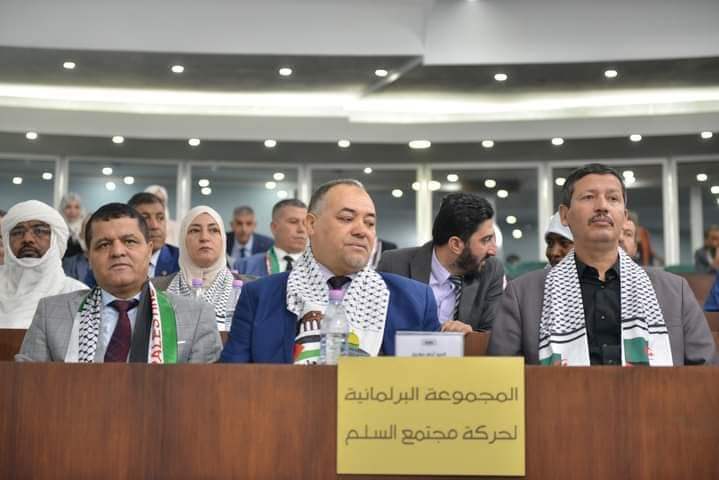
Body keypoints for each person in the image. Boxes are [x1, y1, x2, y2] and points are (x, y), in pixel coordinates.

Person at [489, 163, 715, 366]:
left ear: (624, 217)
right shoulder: (523, 295)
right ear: (565, 215)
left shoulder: (675, 292)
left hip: (656, 401)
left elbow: (707, 377)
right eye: (589, 197)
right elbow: (503, 381)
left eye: (613, 198)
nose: (602, 206)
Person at [220, 179, 440, 363]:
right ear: (311, 225)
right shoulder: (259, 296)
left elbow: (430, 385)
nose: (361, 231)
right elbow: (233, 382)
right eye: (347, 219)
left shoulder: (415, 300)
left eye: (370, 223)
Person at [16, 202, 222, 363]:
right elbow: (27, 386)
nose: (117, 252)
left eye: (129, 241)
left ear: (149, 250)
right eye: (104, 244)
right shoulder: (51, 313)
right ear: (89, 257)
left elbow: (203, 392)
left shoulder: (196, 316)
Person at [377, 193, 504, 332]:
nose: (493, 250)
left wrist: (470, 335)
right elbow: (376, 329)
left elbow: (493, 333)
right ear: (456, 244)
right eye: (486, 240)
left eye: (493, 238)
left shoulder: (491, 270)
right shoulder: (394, 265)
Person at [152, 206, 244, 331]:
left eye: (213, 230)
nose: (204, 238)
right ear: (183, 240)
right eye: (195, 230)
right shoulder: (157, 289)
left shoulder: (246, 289)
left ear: (223, 239)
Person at [0, 200, 88, 329]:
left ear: (55, 239)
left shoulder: (77, 294)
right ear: (7, 240)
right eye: (18, 232)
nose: (27, 239)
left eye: (39, 231)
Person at [234, 199, 308, 277]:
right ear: (274, 227)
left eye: (306, 223)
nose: (302, 229)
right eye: (293, 221)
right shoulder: (245, 266)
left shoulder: (316, 266)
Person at [128, 192, 179, 278]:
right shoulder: (120, 259)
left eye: (160, 218)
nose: (155, 226)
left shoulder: (181, 261)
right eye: (145, 218)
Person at [60, 192, 86, 258]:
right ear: (62, 209)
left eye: (76, 207)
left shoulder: (86, 226)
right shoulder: (57, 227)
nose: (72, 211)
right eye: (68, 207)